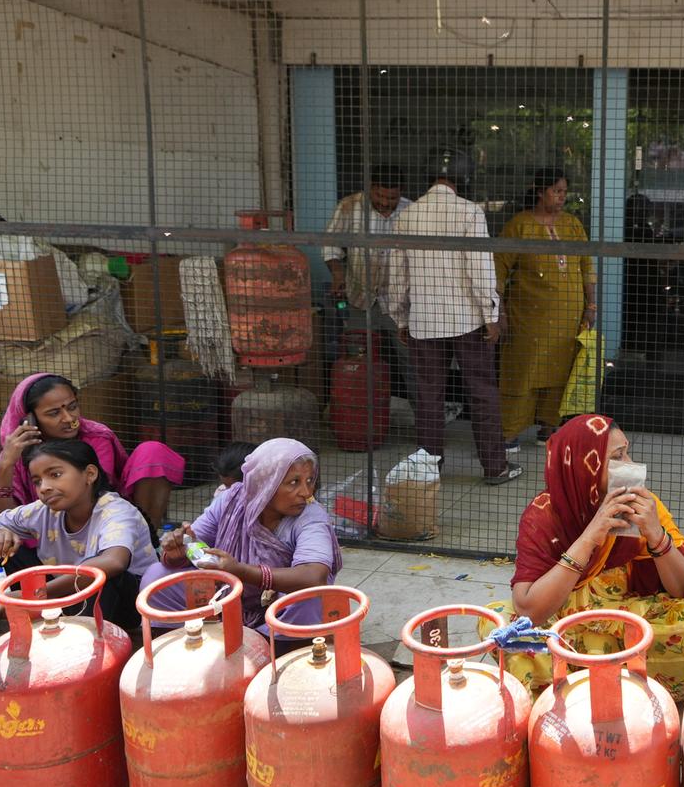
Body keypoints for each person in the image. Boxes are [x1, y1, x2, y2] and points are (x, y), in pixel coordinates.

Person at [508, 414, 684, 701]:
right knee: (510, 637)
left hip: (627, 614)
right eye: (617, 457)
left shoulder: (643, 505)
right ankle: (590, 674)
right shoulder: (545, 515)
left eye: (627, 451)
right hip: (565, 621)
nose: (630, 465)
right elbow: (529, 610)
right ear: (582, 468)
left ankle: (609, 670)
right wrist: (590, 536)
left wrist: (655, 535)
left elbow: (682, 588)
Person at [387, 147, 520, 484]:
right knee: (482, 392)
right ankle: (495, 467)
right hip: (468, 321)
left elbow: (397, 272)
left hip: (424, 322)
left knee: (429, 396)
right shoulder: (470, 212)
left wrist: (400, 317)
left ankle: (429, 470)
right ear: (463, 178)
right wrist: (491, 313)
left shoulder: (407, 215)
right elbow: (480, 268)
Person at [142, 438, 341, 654]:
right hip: (226, 600)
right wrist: (179, 552)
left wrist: (241, 571)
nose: (306, 492)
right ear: (266, 482)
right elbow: (197, 545)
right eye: (294, 482)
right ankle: (174, 655)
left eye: (310, 480)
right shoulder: (230, 501)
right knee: (158, 576)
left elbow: (314, 576)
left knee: (309, 597)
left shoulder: (311, 515)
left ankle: (268, 657)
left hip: (277, 610)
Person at [0, 439, 157, 634]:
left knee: (100, 576)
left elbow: (114, 561)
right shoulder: (43, 511)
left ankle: (84, 648)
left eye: (55, 475)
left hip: (127, 606)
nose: (44, 488)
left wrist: (36, 594)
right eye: (37, 481)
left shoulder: (116, 511)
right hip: (59, 594)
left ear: (90, 474)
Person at [0, 373, 184, 532]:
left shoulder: (96, 436)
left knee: (152, 452)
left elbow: (92, 497)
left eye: (73, 407)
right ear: (30, 420)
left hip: (106, 525)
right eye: (54, 413)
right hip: (40, 534)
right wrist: (5, 466)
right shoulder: (16, 452)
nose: (69, 418)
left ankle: (146, 537)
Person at [498, 168, 595, 453]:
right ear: (540, 191)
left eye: (565, 191)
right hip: (528, 317)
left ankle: (549, 428)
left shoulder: (573, 225)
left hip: (567, 317)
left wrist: (591, 306)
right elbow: (499, 268)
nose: (562, 197)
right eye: (557, 191)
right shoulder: (520, 226)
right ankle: (509, 432)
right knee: (522, 370)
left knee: (559, 371)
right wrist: (499, 312)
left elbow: (586, 266)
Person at [323, 165, 414, 396]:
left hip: (399, 303)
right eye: (380, 196)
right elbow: (330, 245)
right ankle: (358, 416)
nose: (385, 202)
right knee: (358, 359)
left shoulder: (412, 211)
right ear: (371, 188)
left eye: (391, 198)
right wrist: (337, 274)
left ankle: (423, 422)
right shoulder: (350, 206)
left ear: (401, 192)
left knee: (411, 362)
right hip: (359, 298)